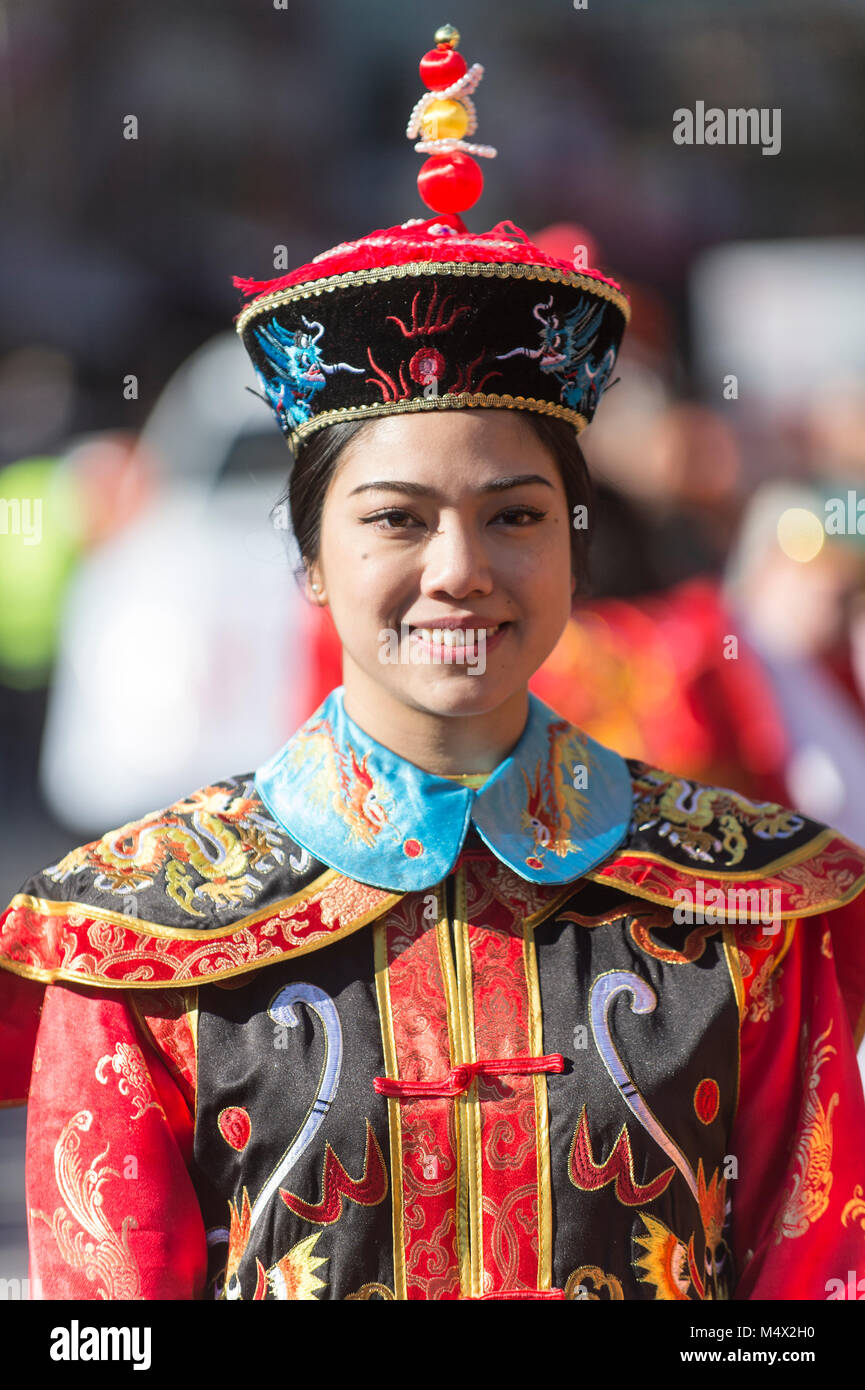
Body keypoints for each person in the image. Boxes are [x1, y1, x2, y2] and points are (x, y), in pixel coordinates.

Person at [2, 24, 865, 1304]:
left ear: (574, 550)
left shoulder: (749, 914)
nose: (459, 566)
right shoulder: (142, 946)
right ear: (308, 561)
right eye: (396, 519)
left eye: (515, 515)